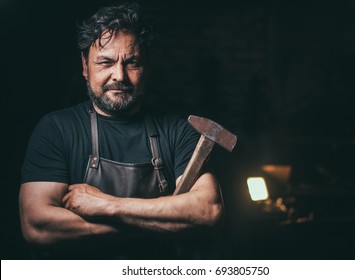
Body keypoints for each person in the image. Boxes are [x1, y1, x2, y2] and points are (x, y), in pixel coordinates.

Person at [19, 1, 224, 259]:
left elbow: (207, 211)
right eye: (105, 62)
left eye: (132, 63)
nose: (119, 76)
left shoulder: (178, 132)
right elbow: (37, 227)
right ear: (85, 66)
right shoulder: (56, 129)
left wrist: (106, 205)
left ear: (147, 67)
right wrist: (160, 223)